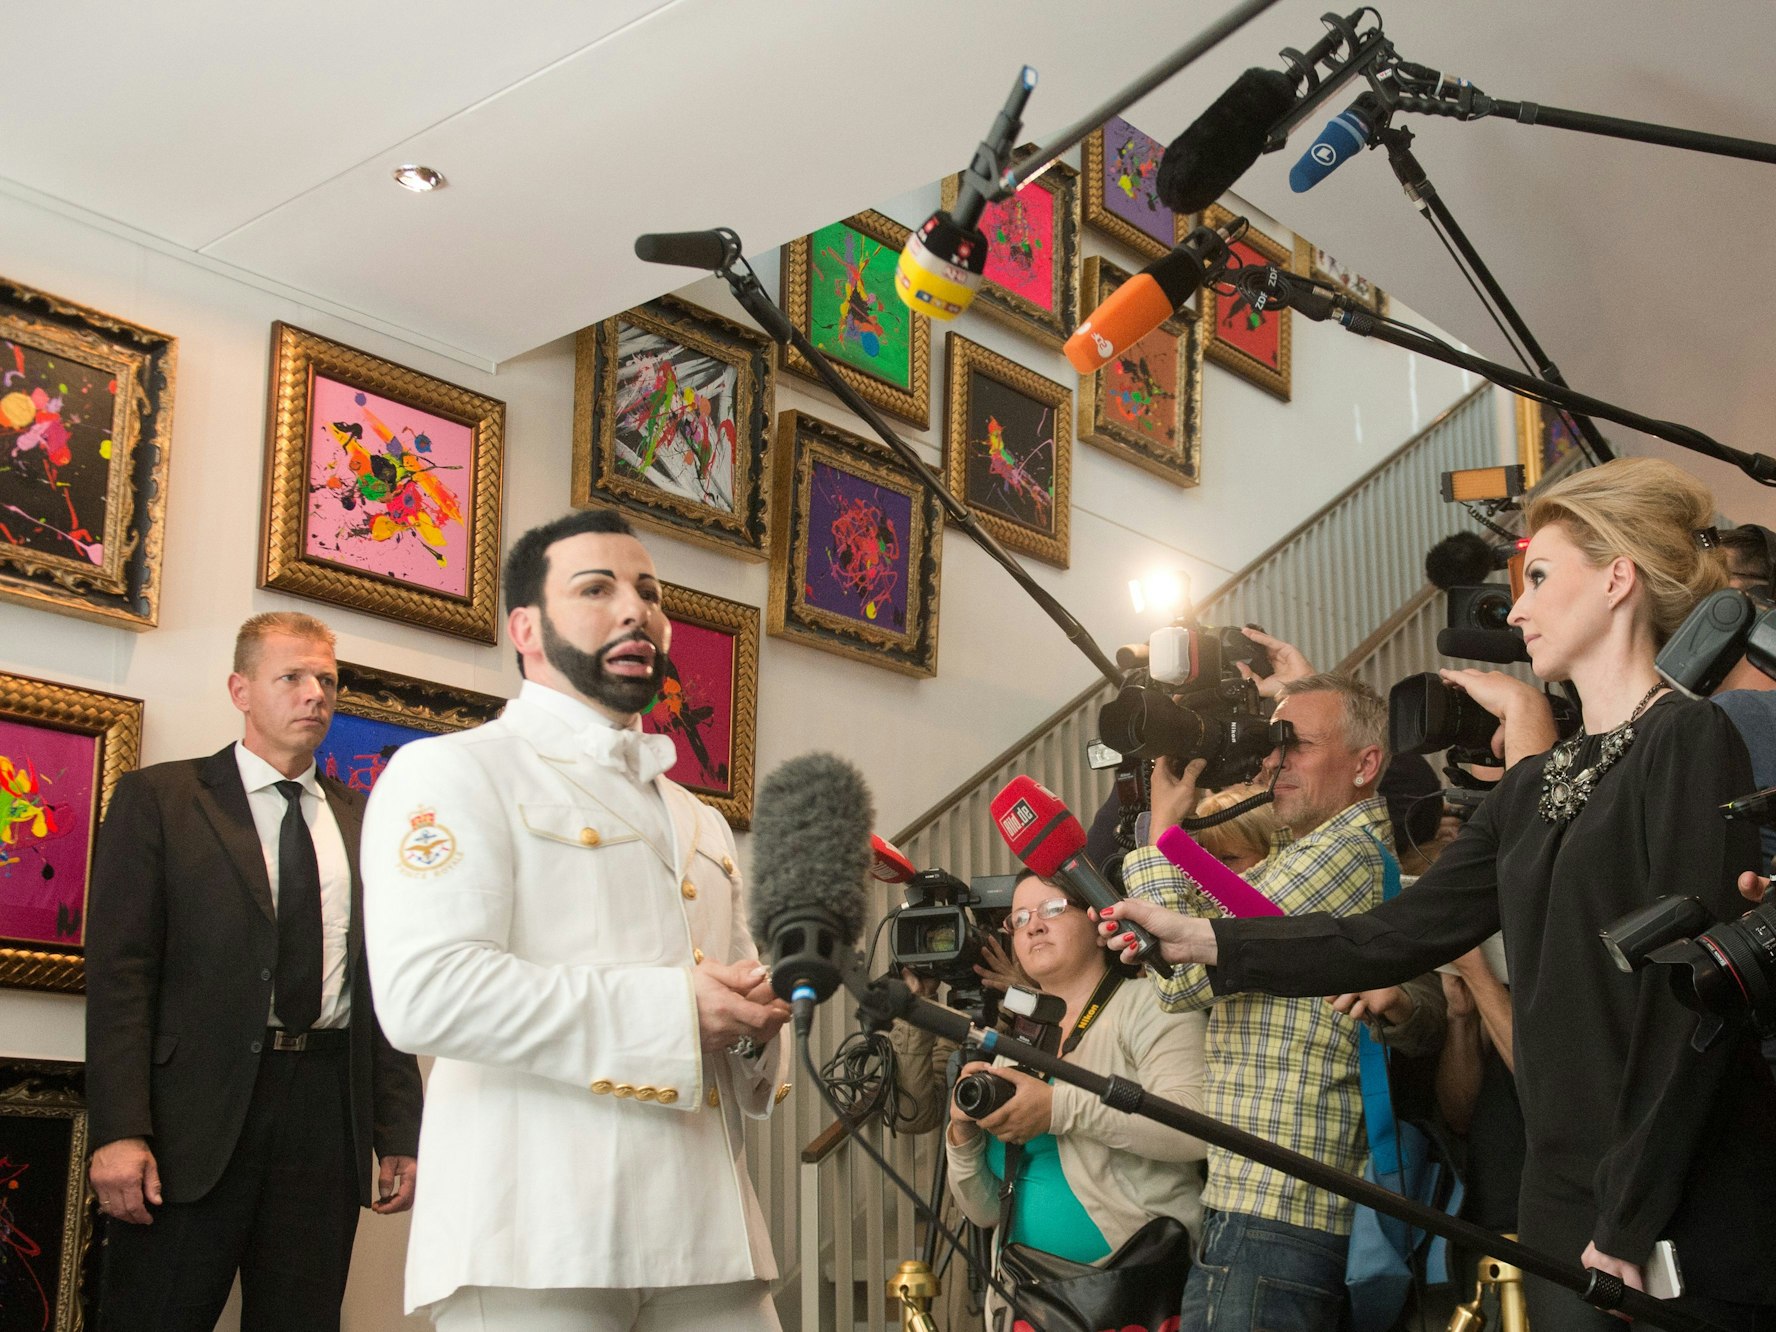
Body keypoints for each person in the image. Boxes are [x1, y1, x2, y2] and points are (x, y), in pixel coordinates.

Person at [1101, 458, 1776, 1332]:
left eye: (1538, 577)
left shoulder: (1690, 735)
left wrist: (1630, 1216)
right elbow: (1386, 936)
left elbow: (1692, 1005)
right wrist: (1204, 940)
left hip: (1670, 1197)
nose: (1519, 608)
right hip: (1559, 1192)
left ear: (1618, 579)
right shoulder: (1535, 787)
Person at [361, 509, 792, 1332]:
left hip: (708, 1234)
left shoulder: (698, 816)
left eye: (651, 593)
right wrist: (676, 1009)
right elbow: (427, 994)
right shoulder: (452, 771)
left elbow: (726, 1018)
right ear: (525, 627)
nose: (637, 611)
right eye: (596, 588)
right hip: (532, 1234)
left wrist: (756, 1018)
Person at [84, 611, 423, 1332]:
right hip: (189, 1118)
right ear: (241, 689)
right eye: (292, 677)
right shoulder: (161, 801)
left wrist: (399, 1131)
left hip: (326, 1113)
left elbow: (384, 985)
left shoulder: (367, 822)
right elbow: (120, 977)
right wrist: (119, 1129)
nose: (315, 695)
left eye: (327, 681)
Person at [1119, 671, 1396, 1332]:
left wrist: (1161, 828)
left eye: (1296, 744)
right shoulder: (1300, 857)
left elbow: (1186, 974)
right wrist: (1171, 842)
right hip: (1261, 1204)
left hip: (1277, 1210)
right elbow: (1228, 917)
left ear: (1365, 764)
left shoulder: (1347, 850)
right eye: (1273, 745)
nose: (1276, 761)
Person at [945, 872, 1208, 1321]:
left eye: (1052, 909)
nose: (1033, 926)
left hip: (1135, 1294)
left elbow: (1194, 1131)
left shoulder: (1149, 1003)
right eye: (1019, 918)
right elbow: (986, 1211)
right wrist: (962, 1140)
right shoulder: (1015, 1040)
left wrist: (1058, 1110)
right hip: (1027, 1299)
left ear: (1096, 921)